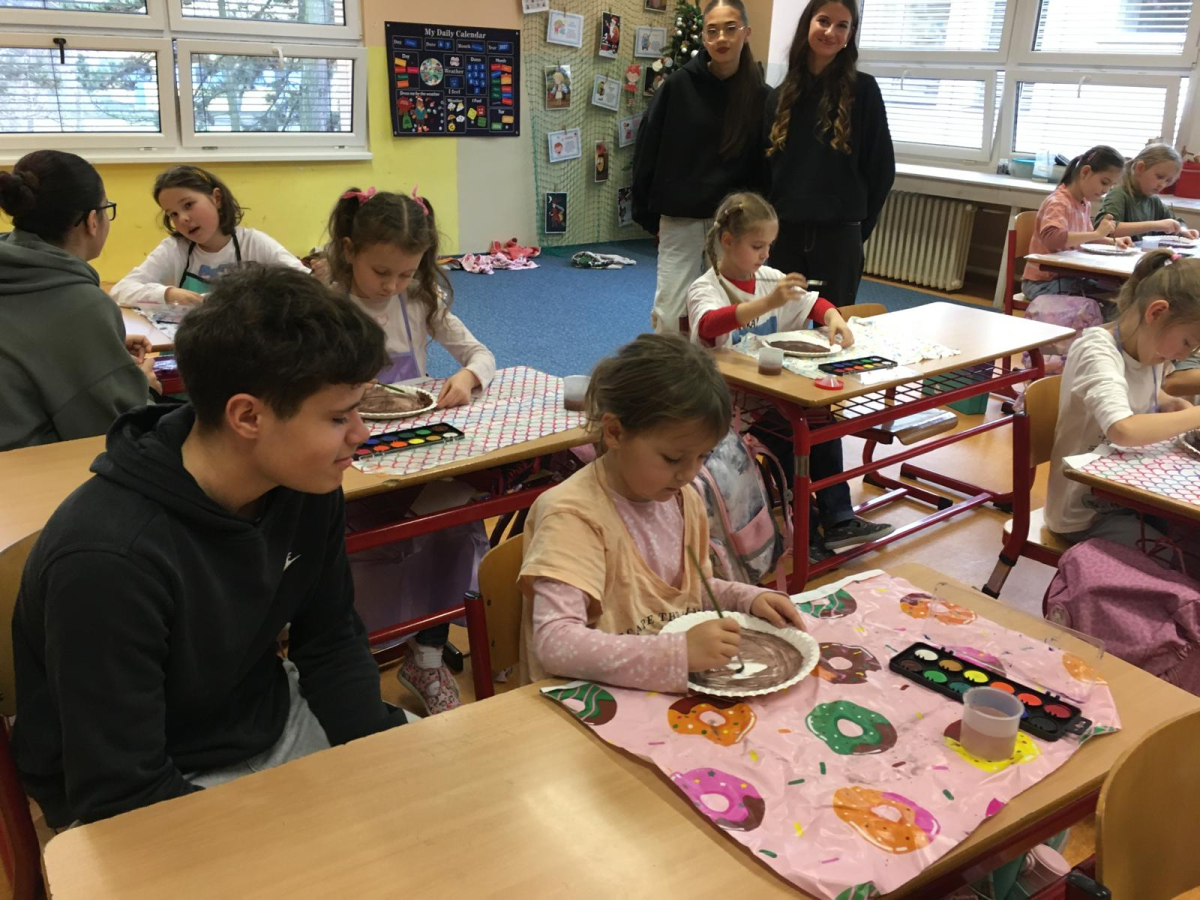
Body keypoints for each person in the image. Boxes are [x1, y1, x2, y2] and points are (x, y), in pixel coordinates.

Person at [12, 264, 410, 828]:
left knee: (436, 804)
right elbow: (120, 793)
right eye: (339, 416)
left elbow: (331, 640)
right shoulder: (108, 559)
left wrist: (378, 758)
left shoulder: (305, 483)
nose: (361, 434)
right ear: (247, 416)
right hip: (139, 788)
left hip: (266, 720)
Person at [518, 333, 806, 691]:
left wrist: (747, 598)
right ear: (614, 432)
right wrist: (677, 653)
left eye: (703, 457)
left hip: (656, 693)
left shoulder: (684, 501)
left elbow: (692, 594)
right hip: (584, 703)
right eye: (673, 458)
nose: (689, 473)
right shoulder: (572, 516)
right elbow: (555, 645)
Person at [326, 185, 494, 715]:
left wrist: (468, 377)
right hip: (347, 450)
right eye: (381, 272)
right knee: (370, 542)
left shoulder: (420, 298)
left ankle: (426, 655)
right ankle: (353, 652)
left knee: (457, 516)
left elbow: (481, 354)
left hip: (414, 447)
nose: (393, 285)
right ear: (349, 249)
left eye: (405, 273)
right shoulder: (326, 300)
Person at [686, 191, 891, 559]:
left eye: (770, 246)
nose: (765, 254)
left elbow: (813, 303)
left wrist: (834, 318)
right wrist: (768, 303)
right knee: (794, 442)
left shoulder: (769, 278)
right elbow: (708, 325)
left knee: (823, 425)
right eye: (757, 246)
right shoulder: (707, 287)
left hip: (772, 396)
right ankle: (806, 530)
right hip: (730, 409)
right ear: (727, 241)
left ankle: (839, 519)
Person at [0, 150, 155, 450]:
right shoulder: (84, 304)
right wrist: (140, 383)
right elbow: (118, 428)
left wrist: (104, 348)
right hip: (28, 465)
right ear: (91, 221)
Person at [1044, 251, 1200, 548]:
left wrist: (1166, 401)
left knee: (1191, 539)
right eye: (1187, 343)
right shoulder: (1096, 350)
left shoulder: (1150, 349)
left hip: (1132, 498)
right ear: (1157, 313)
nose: (1184, 356)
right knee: (1180, 559)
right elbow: (1123, 429)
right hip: (1083, 515)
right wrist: (1196, 415)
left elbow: (1135, 389)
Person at [633, 0, 767, 334]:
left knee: (725, 315)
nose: (721, 38)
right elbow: (648, 150)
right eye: (713, 30)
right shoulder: (677, 87)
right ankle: (668, 368)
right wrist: (649, 215)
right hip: (680, 220)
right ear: (704, 38)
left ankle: (715, 371)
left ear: (746, 33)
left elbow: (764, 167)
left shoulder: (760, 95)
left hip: (733, 225)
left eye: (730, 28)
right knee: (669, 313)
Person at [762, 0, 894, 308]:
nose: (830, 31)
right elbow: (765, 170)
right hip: (785, 234)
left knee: (833, 326)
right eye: (823, 21)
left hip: (839, 236)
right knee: (782, 323)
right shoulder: (778, 96)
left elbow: (882, 169)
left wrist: (857, 228)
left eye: (842, 25)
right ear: (808, 24)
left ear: (850, 35)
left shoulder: (864, 91)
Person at [111, 165, 310, 309]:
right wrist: (169, 294)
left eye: (188, 205)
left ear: (217, 198)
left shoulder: (253, 243)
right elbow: (121, 291)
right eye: (173, 214)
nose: (183, 218)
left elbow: (306, 284)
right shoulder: (175, 248)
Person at [1021, 145, 1133, 303]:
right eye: (1104, 182)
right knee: (1103, 302)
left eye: (1111, 186)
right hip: (1043, 284)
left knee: (1115, 292)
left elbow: (1086, 239)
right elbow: (1052, 239)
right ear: (1085, 172)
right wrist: (1097, 233)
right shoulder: (1059, 202)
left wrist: (1113, 242)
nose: (1106, 190)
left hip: (1068, 278)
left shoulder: (1084, 203)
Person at [1096, 143, 1200, 240]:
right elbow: (1105, 231)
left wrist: (1183, 230)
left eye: (1168, 181)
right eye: (1159, 177)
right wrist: (1155, 225)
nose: (1162, 185)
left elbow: (1177, 222)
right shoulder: (1119, 195)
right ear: (1140, 168)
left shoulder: (1153, 201)